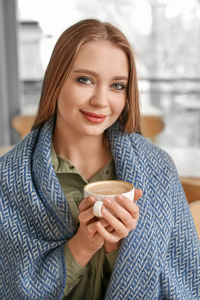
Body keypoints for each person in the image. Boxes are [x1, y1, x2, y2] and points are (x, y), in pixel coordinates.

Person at [0, 19, 199, 300]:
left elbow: (186, 283)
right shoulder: (8, 178)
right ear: (56, 80)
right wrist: (82, 245)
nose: (101, 101)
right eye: (85, 80)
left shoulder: (158, 169)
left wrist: (119, 249)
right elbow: (10, 289)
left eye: (117, 85)